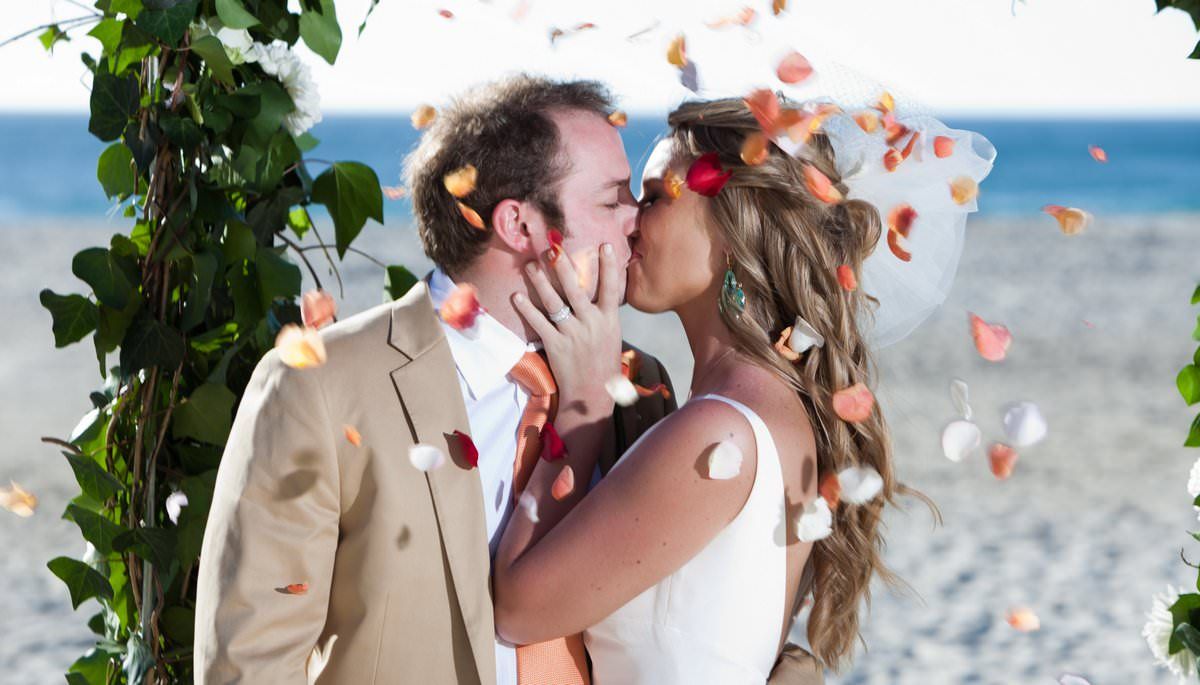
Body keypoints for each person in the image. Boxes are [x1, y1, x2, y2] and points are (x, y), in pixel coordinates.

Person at [193, 76, 821, 684]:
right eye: (612, 200)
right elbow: (252, 662)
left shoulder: (640, 389)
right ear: (520, 227)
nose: (636, 221)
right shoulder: (321, 388)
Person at [492, 95, 991, 682]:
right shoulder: (777, 407)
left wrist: (586, 400)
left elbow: (518, 610)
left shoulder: (718, 433)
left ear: (732, 223)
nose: (628, 220)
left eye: (653, 198)